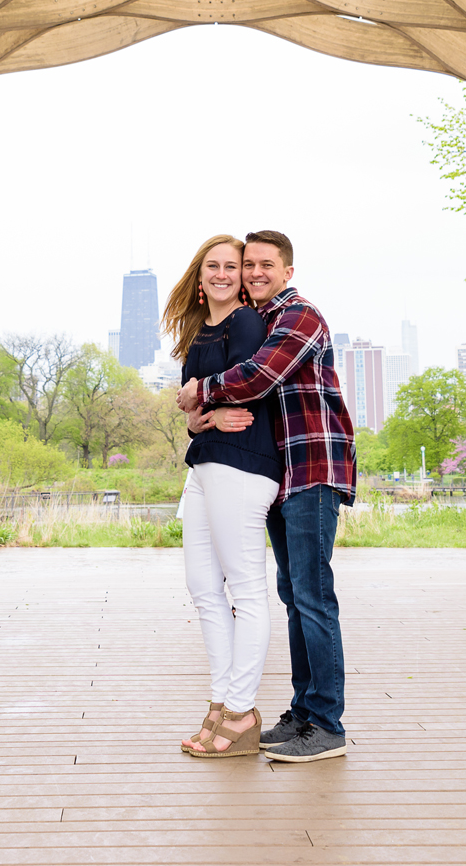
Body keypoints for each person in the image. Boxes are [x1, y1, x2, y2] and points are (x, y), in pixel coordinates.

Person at [177, 230, 355, 763]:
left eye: (264, 265)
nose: (254, 272)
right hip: (281, 471)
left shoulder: (299, 316)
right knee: (293, 594)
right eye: (247, 263)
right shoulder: (263, 320)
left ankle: (325, 723)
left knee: (312, 595)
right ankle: (303, 714)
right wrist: (199, 415)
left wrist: (197, 393)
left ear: (287, 271)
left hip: (312, 468)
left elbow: (258, 377)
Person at [166, 235, 282, 758]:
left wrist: (202, 406)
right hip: (205, 463)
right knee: (203, 587)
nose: (222, 274)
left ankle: (241, 710)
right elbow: (193, 412)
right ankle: (219, 701)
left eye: (231, 267)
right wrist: (202, 416)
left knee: (246, 589)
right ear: (199, 277)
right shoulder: (199, 336)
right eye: (212, 266)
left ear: (241, 277)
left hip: (244, 463)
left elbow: (249, 388)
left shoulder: (245, 322)